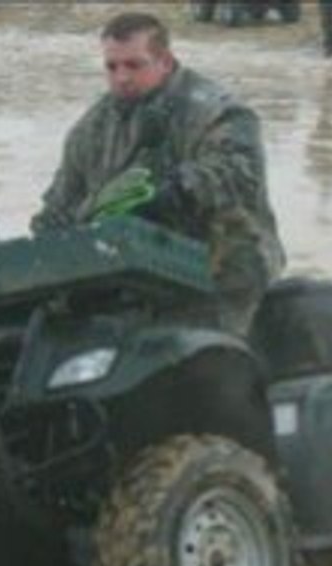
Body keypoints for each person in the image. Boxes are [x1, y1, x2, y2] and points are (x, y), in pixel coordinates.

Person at [31, 12, 285, 335]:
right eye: (112, 67)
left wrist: (175, 191)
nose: (121, 77)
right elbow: (61, 201)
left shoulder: (217, 112)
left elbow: (238, 174)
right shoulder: (93, 128)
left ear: (164, 61)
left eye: (134, 65)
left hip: (220, 269)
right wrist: (51, 229)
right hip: (134, 271)